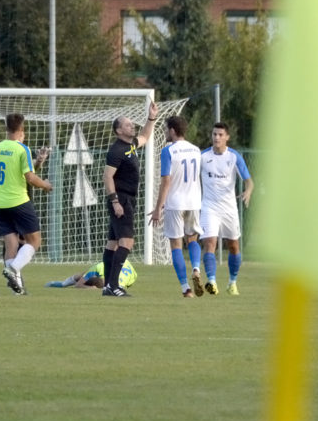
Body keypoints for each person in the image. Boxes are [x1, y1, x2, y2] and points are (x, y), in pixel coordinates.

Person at [0, 113, 52, 295]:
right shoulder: (22, 149)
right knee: (35, 241)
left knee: (11, 244)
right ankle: (13, 268)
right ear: (22, 130)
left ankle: (18, 289)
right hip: (19, 202)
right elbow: (30, 178)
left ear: (6, 129)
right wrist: (45, 185)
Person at [102, 102, 159, 297]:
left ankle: (107, 286)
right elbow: (107, 176)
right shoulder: (116, 150)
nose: (131, 126)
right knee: (126, 242)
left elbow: (145, 135)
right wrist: (115, 201)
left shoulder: (131, 144)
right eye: (127, 125)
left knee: (113, 243)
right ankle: (113, 285)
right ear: (118, 130)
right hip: (121, 200)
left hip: (127, 199)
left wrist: (151, 118)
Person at [149, 115, 203, 298]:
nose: (165, 133)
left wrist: (158, 208)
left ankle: (186, 288)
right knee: (193, 239)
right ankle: (196, 269)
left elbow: (166, 182)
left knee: (176, 246)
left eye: (166, 129)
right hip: (194, 202)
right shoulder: (196, 150)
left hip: (175, 203)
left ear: (172, 130)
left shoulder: (168, 151)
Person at [199, 122, 254, 296]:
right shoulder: (202, 157)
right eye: (214, 134)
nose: (217, 137)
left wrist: (248, 192)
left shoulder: (234, 157)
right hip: (209, 206)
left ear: (227, 137)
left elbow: (249, 181)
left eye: (220, 135)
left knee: (233, 246)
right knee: (210, 243)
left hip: (229, 208)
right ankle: (212, 282)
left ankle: (232, 282)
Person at [45, 259, 137, 289]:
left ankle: (62, 284)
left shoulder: (97, 268)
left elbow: (78, 285)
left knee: (79, 277)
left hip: (110, 266)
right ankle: (63, 283)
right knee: (80, 277)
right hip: (124, 264)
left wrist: (91, 288)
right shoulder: (122, 283)